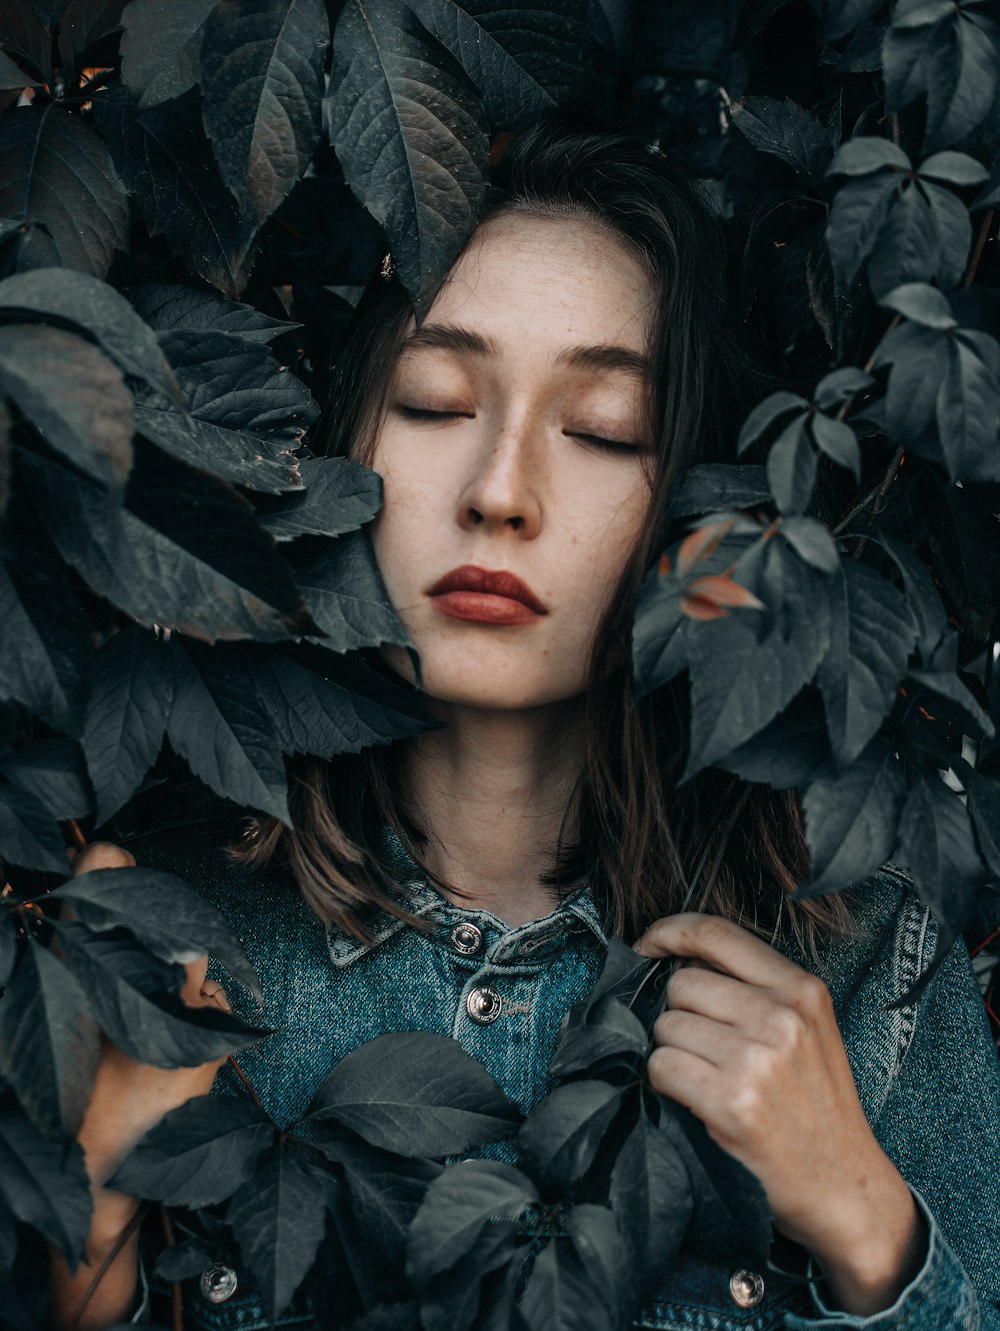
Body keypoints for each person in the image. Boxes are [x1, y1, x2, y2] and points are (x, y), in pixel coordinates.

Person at [48, 118, 1000, 1331]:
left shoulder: (865, 965)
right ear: (341, 442)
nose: (500, 490)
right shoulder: (164, 936)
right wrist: (82, 1232)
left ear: (700, 509)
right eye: (436, 400)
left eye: (603, 427)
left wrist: (869, 1225)